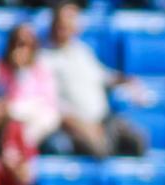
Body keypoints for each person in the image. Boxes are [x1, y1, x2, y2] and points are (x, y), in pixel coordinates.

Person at [41, 1, 147, 158]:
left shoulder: (82, 50)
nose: (67, 24)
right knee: (99, 149)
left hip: (104, 120)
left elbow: (104, 77)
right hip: (75, 125)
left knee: (137, 140)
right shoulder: (44, 58)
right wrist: (78, 124)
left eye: (71, 19)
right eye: (63, 20)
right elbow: (50, 102)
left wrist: (128, 81)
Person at [0, 24, 61, 149]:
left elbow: (50, 111)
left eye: (24, 45)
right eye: (15, 44)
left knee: (59, 144)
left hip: (37, 132)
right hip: (6, 130)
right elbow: (0, 107)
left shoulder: (42, 71)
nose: (19, 50)